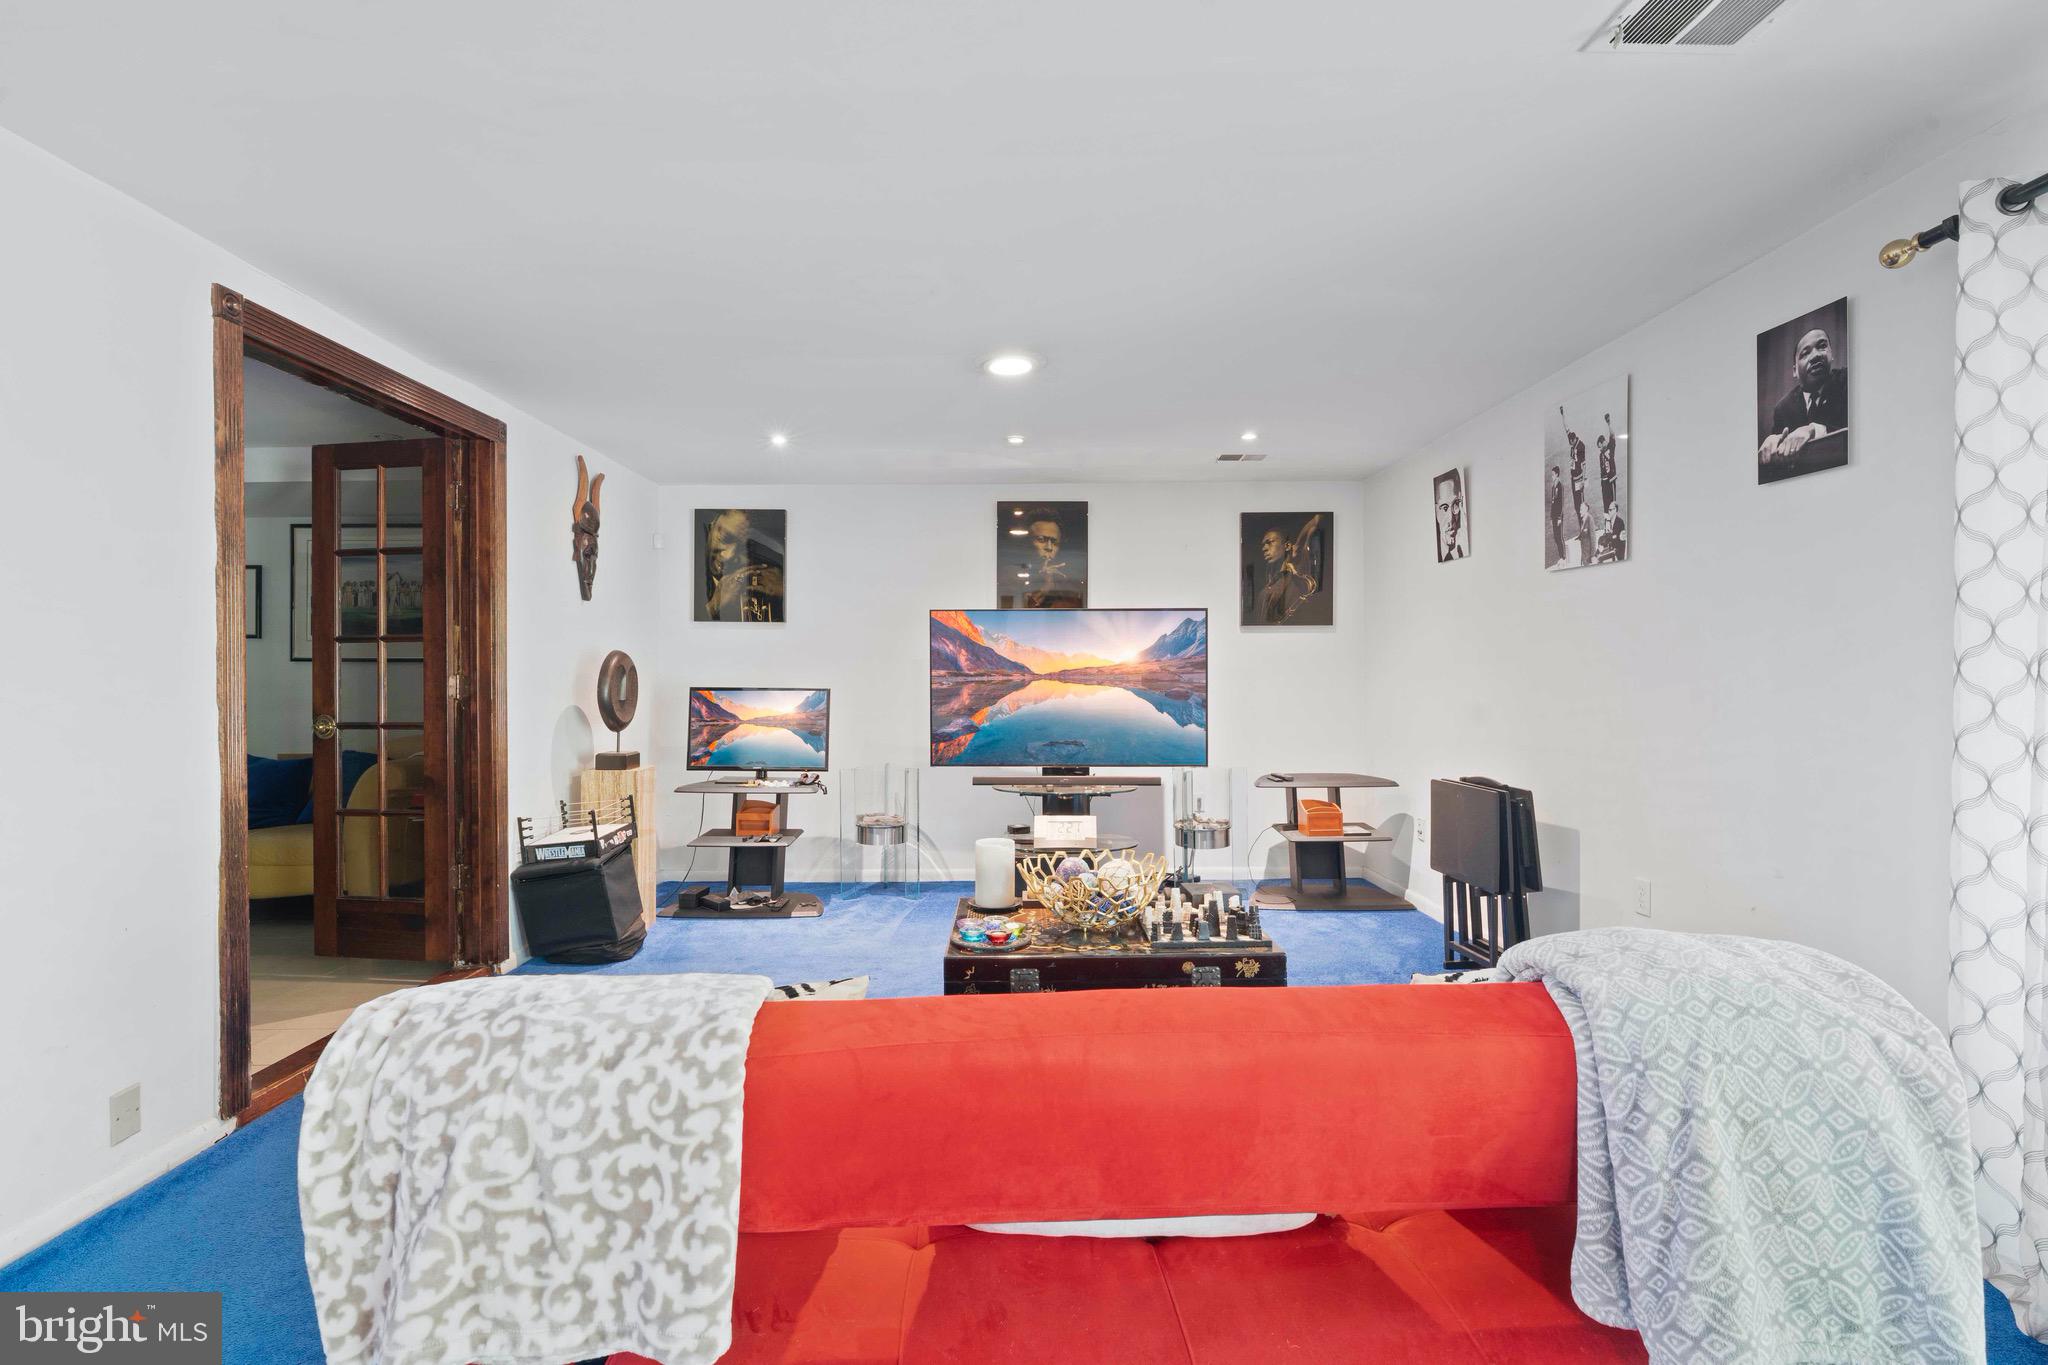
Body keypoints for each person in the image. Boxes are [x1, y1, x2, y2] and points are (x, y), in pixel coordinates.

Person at [1759, 326, 1848, 480]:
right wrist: (1773, 443)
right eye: (1805, 354)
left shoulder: (1848, 380)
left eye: (1822, 346)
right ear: (1794, 371)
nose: (1815, 356)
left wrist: (1813, 430)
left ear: (1831, 354)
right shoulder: (1783, 408)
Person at [701, 508, 783, 621]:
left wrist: (786, 591)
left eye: (742, 548)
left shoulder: (769, 571)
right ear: (713, 524)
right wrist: (713, 607)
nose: (728, 555)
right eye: (726, 538)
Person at [1253, 514, 1324, 623]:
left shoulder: (1298, 574)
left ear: (1287, 546)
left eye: (1269, 542)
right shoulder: (1263, 593)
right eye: (1263, 545)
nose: (1264, 549)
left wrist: (1299, 543)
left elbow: (1317, 520)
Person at [1018, 507, 1082, 608]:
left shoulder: (1070, 586)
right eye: (1041, 539)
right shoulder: (1010, 577)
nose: (1049, 547)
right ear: (1026, 543)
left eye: (1054, 542)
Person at [1562, 407, 1593, 564]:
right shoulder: (1572, 440)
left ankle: (1585, 531)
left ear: (1575, 440)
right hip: (1574, 479)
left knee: (1580, 505)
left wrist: (1584, 479)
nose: (1571, 443)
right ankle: (1582, 530)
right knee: (1576, 506)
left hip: (1579, 479)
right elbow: (1566, 428)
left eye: (1571, 442)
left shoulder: (1580, 447)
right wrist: (1563, 414)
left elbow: (1585, 464)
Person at [1434, 471, 1467, 561]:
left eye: (1456, 504)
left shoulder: (1463, 550)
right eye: (1444, 508)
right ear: (1436, 510)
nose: (1451, 519)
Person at [1597, 413, 1619, 515]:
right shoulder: (1601, 454)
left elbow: (1612, 435)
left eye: (1600, 446)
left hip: (1611, 481)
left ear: (1603, 442)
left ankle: (1615, 524)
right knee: (1606, 505)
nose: (1600, 449)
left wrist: (1609, 423)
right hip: (1604, 483)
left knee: (1612, 504)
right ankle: (1608, 525)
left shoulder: (1611, 447)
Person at [1546, 467, 1566, 566]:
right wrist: (1550, 517)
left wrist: (1559, 518)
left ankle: (1563, 557)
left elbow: (1561, 503)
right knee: (1555, 537)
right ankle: (1560, 556)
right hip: (1553, 516)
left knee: (1559, 536)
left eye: (1553, 474)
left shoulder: (1560, 486)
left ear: (1557, 474)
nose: (1552, 476)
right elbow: (1553, 503)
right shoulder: (1553, 486)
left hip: (1558, 516)